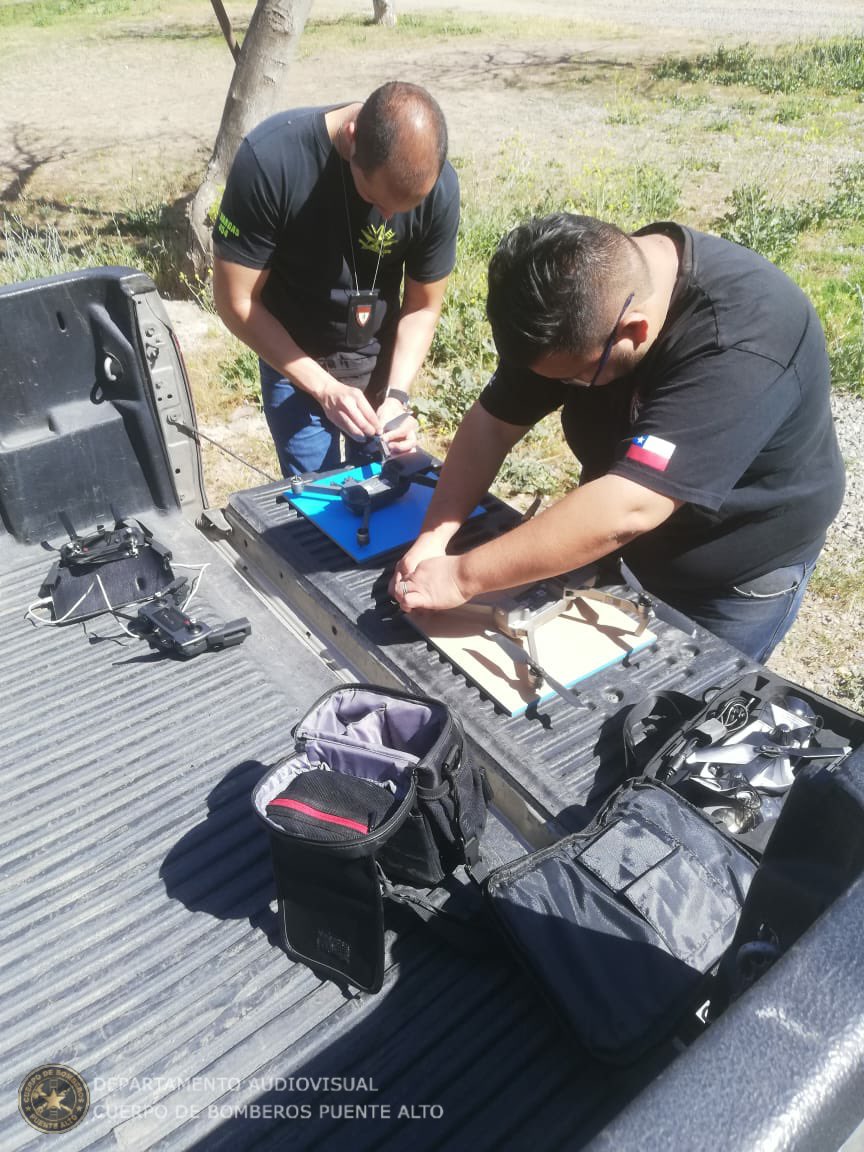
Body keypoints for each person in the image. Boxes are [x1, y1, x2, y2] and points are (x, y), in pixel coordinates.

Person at [391, 213, 845, 663]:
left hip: (731, 575)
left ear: (634, 331)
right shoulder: (571, 298)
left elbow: (630, 506)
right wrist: (436, 537)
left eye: (575, 380)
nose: (566, 386)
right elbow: (493, 424)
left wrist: (463, 576)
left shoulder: (744, 340)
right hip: (623, 538)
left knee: (685, 717)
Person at [212, 81, 459, 477]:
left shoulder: (439, 186)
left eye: (405, 208)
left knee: (385, 496)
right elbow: (235, 301)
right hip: (294, 361)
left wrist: (396, 398)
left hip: (381, 366)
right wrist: (324, 388)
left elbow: (422, 306)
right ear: (351, 139)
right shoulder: (271, 162)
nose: (390, 218)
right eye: (378, 202)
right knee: (316, 503)